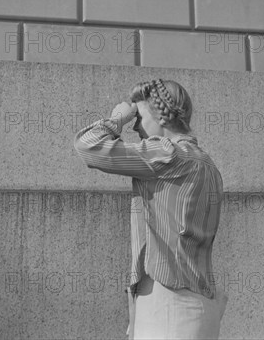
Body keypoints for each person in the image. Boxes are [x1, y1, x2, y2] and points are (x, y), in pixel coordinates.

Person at [74, 79, 227, 340]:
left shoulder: (167, 154)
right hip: (198, 303)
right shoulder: (208, 164)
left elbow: (87, 146)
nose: (134, 126)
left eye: (139, 116)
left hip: (167, 303)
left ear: (162, 117)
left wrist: (117, 119)